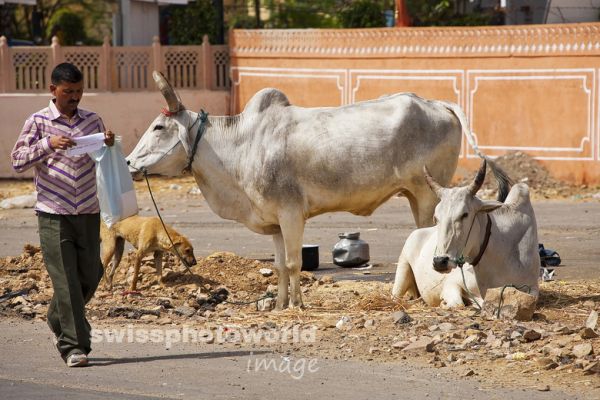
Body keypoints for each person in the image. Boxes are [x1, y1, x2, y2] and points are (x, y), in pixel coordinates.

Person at [11, 62, 114, 367]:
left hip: (88, 210)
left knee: (91, 274)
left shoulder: (92, 120)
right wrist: (47, 144)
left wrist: (107, 143)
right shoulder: (38, 121)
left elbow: (101, 156)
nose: (74, 97)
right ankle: (74, 346)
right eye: (68, 92)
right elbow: (17, 160)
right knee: (66, 280)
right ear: (52, 90)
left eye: (79, 91)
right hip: (53, 213)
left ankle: (57, 315)